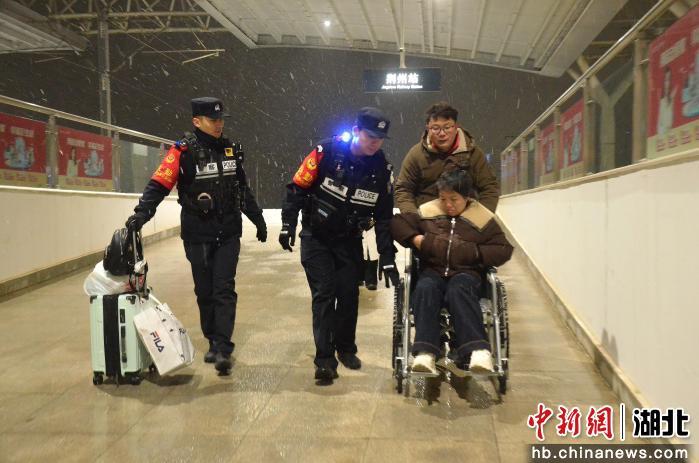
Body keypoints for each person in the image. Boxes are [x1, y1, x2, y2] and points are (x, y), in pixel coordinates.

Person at [124, 97, 267, 375]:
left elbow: (241, 189)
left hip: (228, 231)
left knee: (224, 288)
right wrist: (142, 214)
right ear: (196, 121)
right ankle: (212, 339)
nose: (219, 124)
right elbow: (159, 184)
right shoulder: (183, 151)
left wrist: (257, 219)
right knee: (205, 291)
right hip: (198, 233)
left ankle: (223, 347)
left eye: (221, 119)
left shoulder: (229, 150)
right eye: (213, 120)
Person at [279, 107, 399, 384]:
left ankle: (345, 348)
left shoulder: (381, 170)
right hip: (316, 237)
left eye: (380, 139)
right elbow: (297, 188)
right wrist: (288, 224)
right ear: (356, 131)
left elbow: (383, 218)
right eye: (370, 136)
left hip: (349, 241)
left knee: (348, 296)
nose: (375, 143)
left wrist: (387, 256)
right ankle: (324, 360)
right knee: (324, 294)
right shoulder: (327, 152)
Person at [390, 169, 513, 374]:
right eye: (443, 198)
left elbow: (503, 249)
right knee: (425, 288)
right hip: (433, 270)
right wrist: (417, 239)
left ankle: (478, 351)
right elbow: (397, 223)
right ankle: (426, 353)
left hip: (467, 273)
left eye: (454, 199)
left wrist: (474, 252)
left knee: (459, 289)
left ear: (467, 197)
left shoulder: (481, 218)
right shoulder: (428, 212)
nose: (448, 204)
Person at [394, 102, 500, 214]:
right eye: (435, 128)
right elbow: (403, 189)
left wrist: (479, 218)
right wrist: (413, 218)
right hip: (426, 219)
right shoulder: (416, 154)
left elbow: (489, 188)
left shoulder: (473, 154)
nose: (442, 133)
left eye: (447, 127)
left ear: (456, 127)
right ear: (428, 128)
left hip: (464, 218)